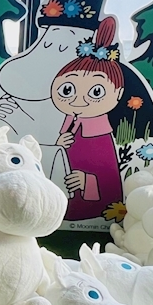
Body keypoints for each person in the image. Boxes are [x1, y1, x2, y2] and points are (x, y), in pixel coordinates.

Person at [51, 16, 124, 221]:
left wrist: (87, 181)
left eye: (96, 92)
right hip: (61, 202)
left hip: (91, 211)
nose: (79, 100)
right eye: (67, 89)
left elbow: (111, 183)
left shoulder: (101, 135)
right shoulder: (68, 123)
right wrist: (58, 144)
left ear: (118, 93)